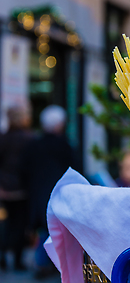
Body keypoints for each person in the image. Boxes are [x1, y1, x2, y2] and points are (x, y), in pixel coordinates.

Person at [19, 105, 77, 278]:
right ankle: (52, 263)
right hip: (60, 192)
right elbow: (75, 169)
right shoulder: (65, 145)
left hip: (38, 193)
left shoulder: (34, 145)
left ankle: (42, 262)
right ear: (60, 124)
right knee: (57, 228)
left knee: (44, 228)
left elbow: (23, 170)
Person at [0, 104, 33, 271]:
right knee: (20, 225)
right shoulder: (30, 139)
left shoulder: (4, 138)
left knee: (7, 223)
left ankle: (3, 256)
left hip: (5, 189)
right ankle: (18, 261)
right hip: (22, 189)